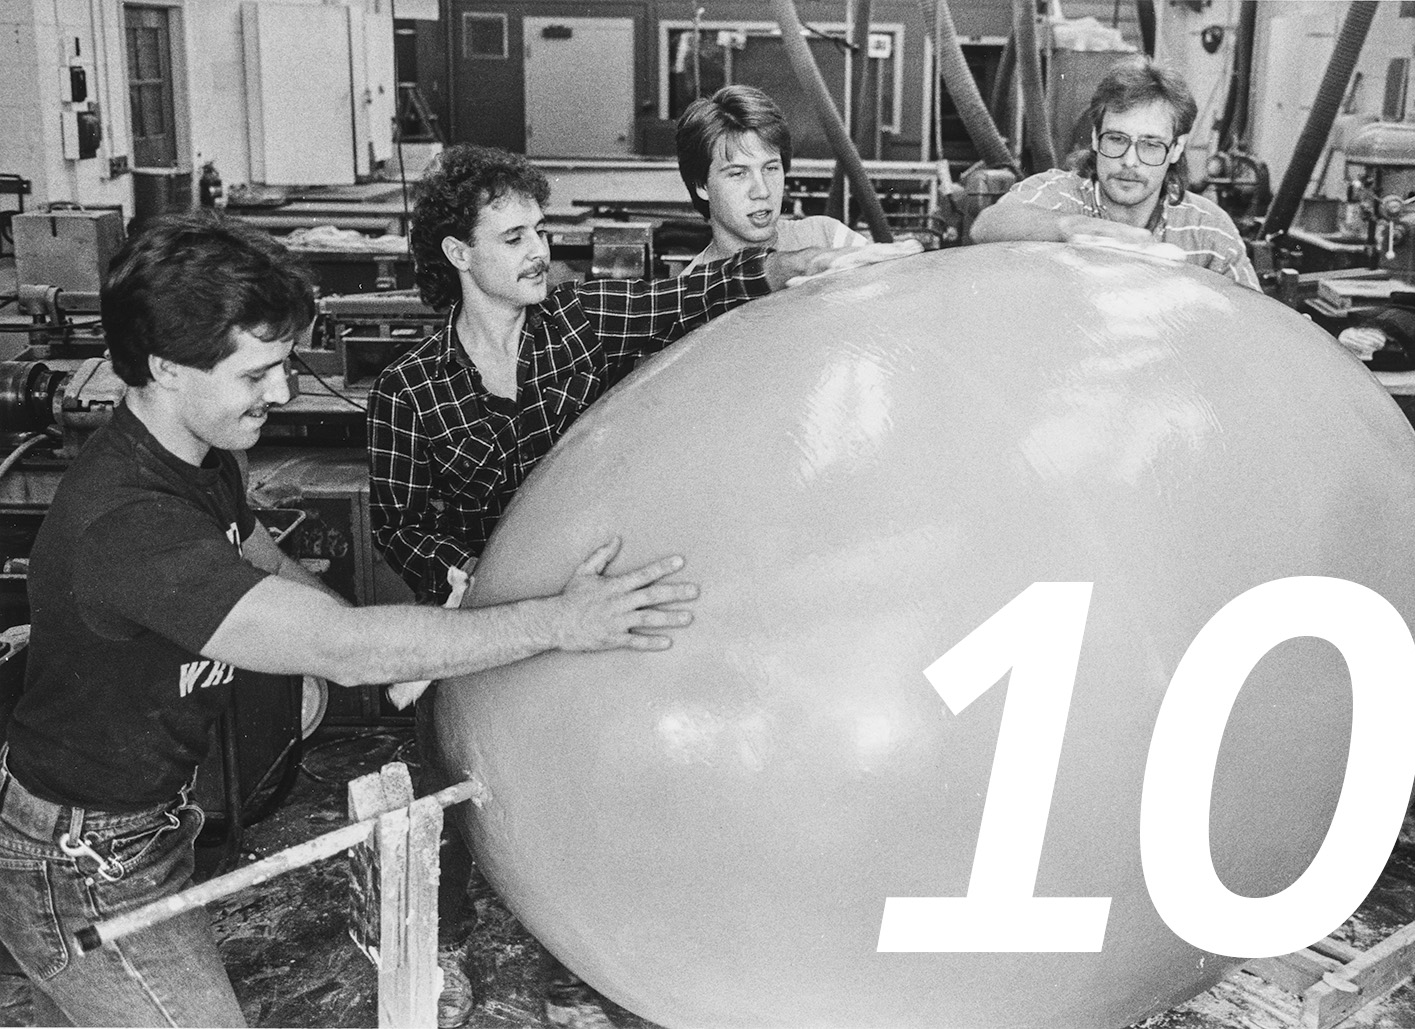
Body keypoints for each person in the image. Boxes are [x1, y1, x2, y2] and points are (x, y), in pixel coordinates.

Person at [0, 213, 704, 1029]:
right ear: (165, 367)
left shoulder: (198, 456)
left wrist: (309, 648)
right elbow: (347, 651)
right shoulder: (127, 524)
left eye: (285, 362)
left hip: (147, 821)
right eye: (256, 372)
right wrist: (561, 620)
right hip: (83, 858)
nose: (284, 390)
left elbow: (260, 557)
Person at [368, 143, 918, 1028]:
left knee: (593, 776)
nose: (539, 249)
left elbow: (694, 295)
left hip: (597, 612)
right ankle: (446, 942)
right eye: (513, 237)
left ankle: (588, 950)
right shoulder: (409, 389)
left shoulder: (577, 326)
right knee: (445, 775)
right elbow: (398, 518)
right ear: (459, 256)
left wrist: (796, 259)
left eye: (541, 228)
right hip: (479, 616)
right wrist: (477, 581)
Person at [970, 58, 1260, 290]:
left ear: (1176, 148)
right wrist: (1079, 229)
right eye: (1117, 139)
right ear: (1096, 138)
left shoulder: (1208, 230)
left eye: (1150, 144)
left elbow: (1254, 324)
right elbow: (986, 225)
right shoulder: (1060, 194)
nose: (1129, 161)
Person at [674, 84, 866, 274]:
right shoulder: (691, 296)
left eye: (771, 168)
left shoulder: (828, 238)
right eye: (738, 173)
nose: (762, 191)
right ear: (702, 185)